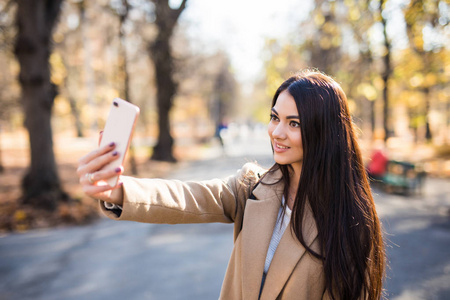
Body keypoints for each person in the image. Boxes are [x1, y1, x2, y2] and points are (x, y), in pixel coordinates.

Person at [77, 69, 385, 300]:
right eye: (275, 117)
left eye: (294, 124)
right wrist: (118, 190)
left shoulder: (350, 222)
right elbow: (190, 197)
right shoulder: (252, 187)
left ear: (324, 131)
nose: (276, 132)